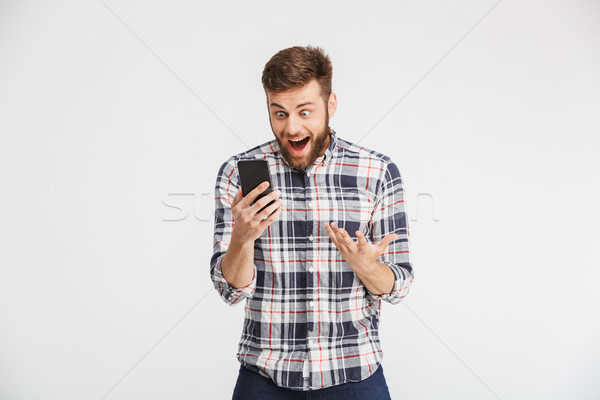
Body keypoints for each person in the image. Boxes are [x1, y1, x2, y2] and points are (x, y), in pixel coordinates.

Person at [210, 45, 413, 399]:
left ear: (330, 105)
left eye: (305, 111)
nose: (291, 127)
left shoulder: (378, 172)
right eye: (279, 113)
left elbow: (398, 285)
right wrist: (242, 238)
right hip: (264, 377)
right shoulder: (236, 174)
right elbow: (230, 290)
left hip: (354, 374)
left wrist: (368, 268)